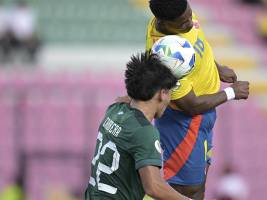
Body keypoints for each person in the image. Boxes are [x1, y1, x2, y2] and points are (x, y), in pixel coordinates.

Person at [146, 0, 250, 199]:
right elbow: (190, 105)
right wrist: (232, 93)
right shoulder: (166, 57)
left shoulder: (178, 14)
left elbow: (196, 43)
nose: (189, 23)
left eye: (189, 15)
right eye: (183, 23)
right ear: (164, 23)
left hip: (204, 114)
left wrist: (215, 67)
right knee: (185, 191)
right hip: (184, 125)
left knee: (199, 185)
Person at [84, 52, 191, 200]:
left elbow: (131, 99)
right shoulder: (144, 132)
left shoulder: (114, 110)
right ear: (162, 93)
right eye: (170, 92)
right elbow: (153, 187)